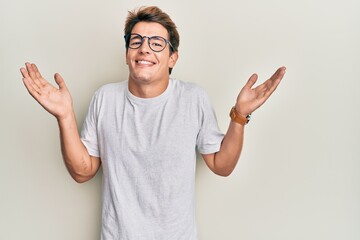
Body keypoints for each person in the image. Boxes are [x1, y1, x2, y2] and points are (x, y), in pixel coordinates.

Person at [20, 6, 286, 240]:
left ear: (172, 58)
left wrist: (239, 116)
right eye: (136, 41)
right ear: (127, 54)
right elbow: (83, 171)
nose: (144, 48)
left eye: (157, 42)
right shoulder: (105, 98)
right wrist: (64, 116)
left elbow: (222, 165)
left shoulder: (193, 98)